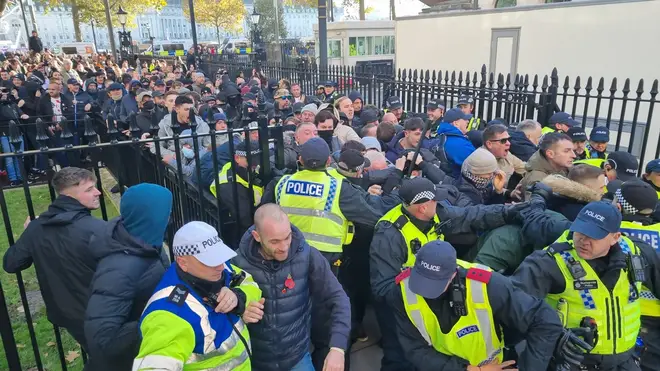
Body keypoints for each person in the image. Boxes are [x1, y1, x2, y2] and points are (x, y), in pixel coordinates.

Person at [511, 200, 660, 371]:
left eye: (594, 235)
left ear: (615, 237)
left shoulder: (636, 254)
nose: (583, 240)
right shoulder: (548, 263)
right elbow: (513, 314)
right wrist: (553, 337)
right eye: (580, 231)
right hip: (572, 362)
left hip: (625, 361)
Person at [392, 240, 562, 371]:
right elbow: (414, 349)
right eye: (421, 281)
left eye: (434, 284)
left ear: (453, 274)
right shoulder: (402, 291)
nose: (425, 292)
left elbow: (545, 320)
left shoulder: (488, 285)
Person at [233, 204, 351, 371]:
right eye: (275, 241)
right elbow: (216, 312)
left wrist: (338, 349)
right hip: (255, 361)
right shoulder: (236, 263)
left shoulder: (308, 255)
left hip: (297, 359)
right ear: (257, 236)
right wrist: (239, 312)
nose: (284, 247)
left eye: (287, 237)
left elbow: (339, 298)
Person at [3, 168, 105, 357]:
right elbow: (11, 264)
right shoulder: (98, 229)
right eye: (90, 189)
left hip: (67, 314)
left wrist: (29, 233)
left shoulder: (37, 228)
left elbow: (12, 263)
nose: (98, 192)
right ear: (69, 194)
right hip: (102, 313)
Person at [133, 221, 261, 371]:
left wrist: (239, 296)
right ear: (182, 262)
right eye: (209, 261)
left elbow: (251, 284)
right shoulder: (169, 314)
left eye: (219, 256)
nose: (220, 266)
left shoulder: (217, 268)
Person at [84, 183, 172, 371]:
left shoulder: (147, 244)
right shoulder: (119, 269)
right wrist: (161, 318)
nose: (170, 217)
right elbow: (103, 339)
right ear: (153, 216)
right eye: (166, 212)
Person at [275, 137, 381, 268]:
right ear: (329, 161)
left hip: (288, 252)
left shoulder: (281, 183)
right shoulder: (339, 188)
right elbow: (372, 219)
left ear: (300, 160)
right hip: (325, 258)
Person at [210, 141, 263, 235]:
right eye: (251, 159)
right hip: (240, 232)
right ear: (237, 158)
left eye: (258, 158)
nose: (256, 164)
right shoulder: (227, 184)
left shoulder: (243, 169)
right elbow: (245, 219)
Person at [519, 132, 575, 200]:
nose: (573, 155)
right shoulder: (537, 179)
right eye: (566, 151)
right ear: (550, 154)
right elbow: (536, 207)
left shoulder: (563, 168)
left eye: (573, 150)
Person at [435, 107, 477, 178]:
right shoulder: (459, 144)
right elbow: (478, 166)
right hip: (458, 184)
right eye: (464, 119)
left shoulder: (440, 136)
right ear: (456, 123)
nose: (467, 121)